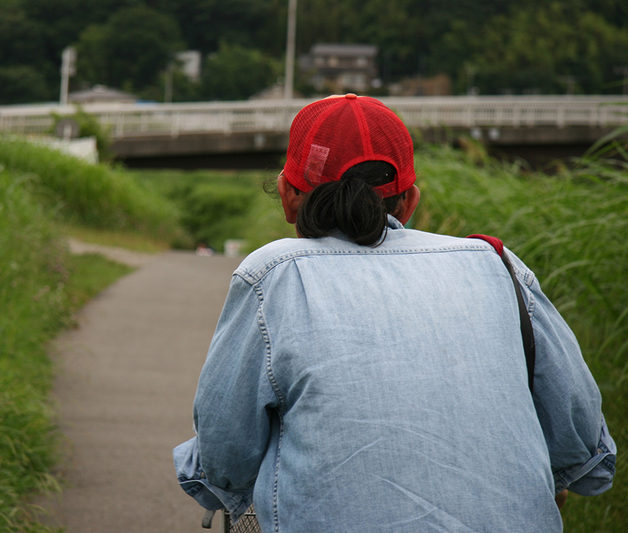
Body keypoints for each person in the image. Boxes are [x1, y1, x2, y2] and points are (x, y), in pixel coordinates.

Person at [173, 94, 615, 532]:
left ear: (289, 197)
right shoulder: (496, 263)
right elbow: (582, 444)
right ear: (409, 202)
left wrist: (214, 481)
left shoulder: (274, 272)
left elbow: (225, 455)